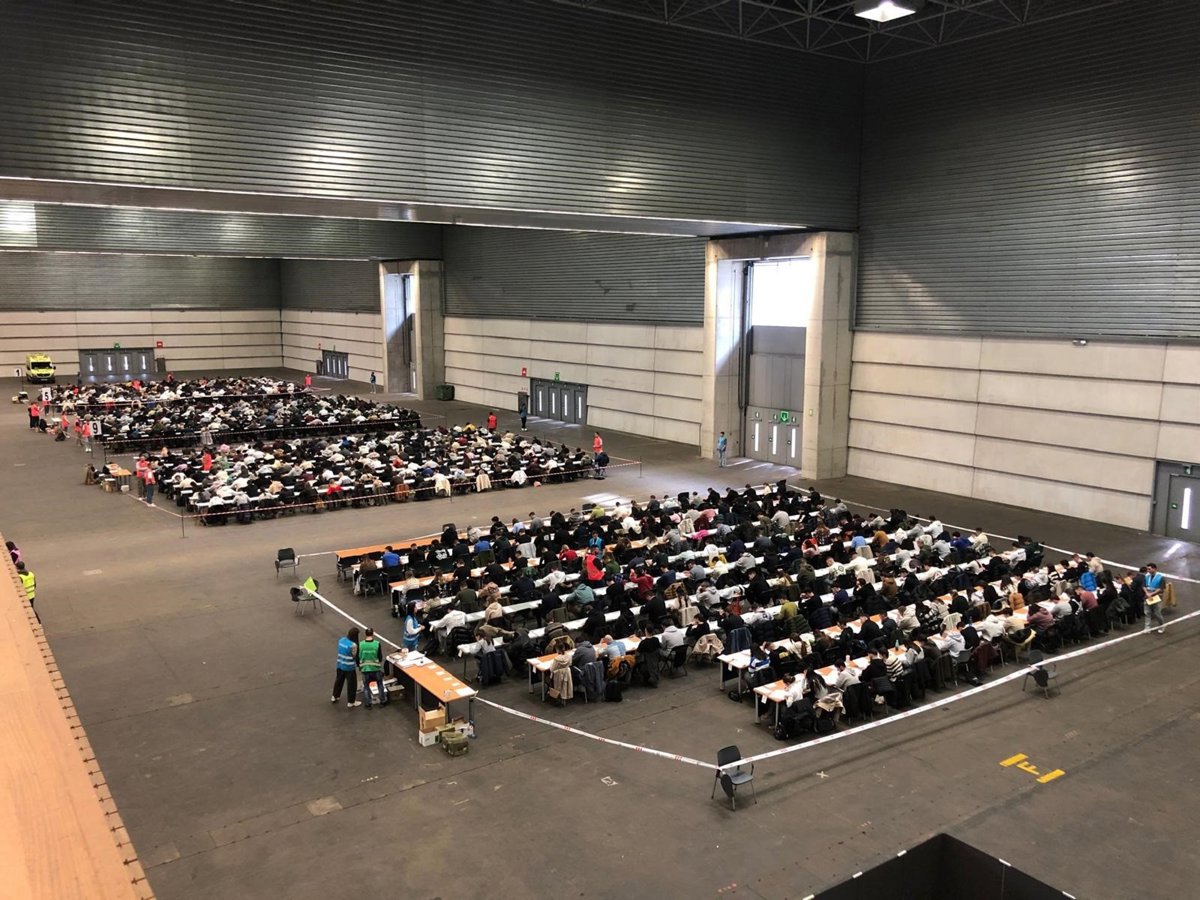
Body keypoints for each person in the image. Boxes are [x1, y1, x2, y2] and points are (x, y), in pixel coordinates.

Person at [331, 627, 362, 707]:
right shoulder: (353, 645)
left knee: (339, 681)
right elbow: (354, 656)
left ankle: (335, 696)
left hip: (340, 664)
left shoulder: (341, 640)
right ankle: (351, 702)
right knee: (352, 684)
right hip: (349, 667)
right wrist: (359, 664)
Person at [358, 627, 386, 708]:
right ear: (373, 634)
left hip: (365, 669)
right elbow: (380, 657)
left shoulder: (361, 644)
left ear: (365, 634)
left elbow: (358, 657)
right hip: (375, 668)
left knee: (366, 686)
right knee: (380, 684)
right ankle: (383, 700)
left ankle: (368, 703)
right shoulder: (377, 644)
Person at [1143, 564, 1166, 634]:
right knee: (1147, 612)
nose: (1148, 570)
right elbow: (1144, 586)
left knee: (1157, 613)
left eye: (1149, 569)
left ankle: (1162, 626)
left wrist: (1152, 594)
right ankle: (1147, 627)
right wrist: (1147, 593)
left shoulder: (1161, 578)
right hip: (1148, 596)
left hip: (1157, 597)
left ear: (1155, 569)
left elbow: (1161, 588)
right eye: (1147, 569)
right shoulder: (1146, 576)